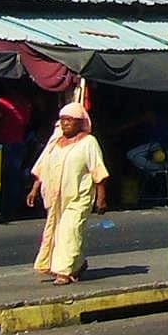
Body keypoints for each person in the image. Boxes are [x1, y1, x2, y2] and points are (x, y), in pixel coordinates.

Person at [28, 103, 109, 285]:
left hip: (78, 197)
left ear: (80, 123)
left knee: (70, 231)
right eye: (62, 120)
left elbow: (98, 171)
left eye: (70, 120)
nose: (65, 123)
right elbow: (42, 167)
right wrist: (34, 189)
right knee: (57, 231)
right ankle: (77, 263)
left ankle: (63, 273)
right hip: (56, 197)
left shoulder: (89, 143)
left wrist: (101, 198)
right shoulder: (55, 142)